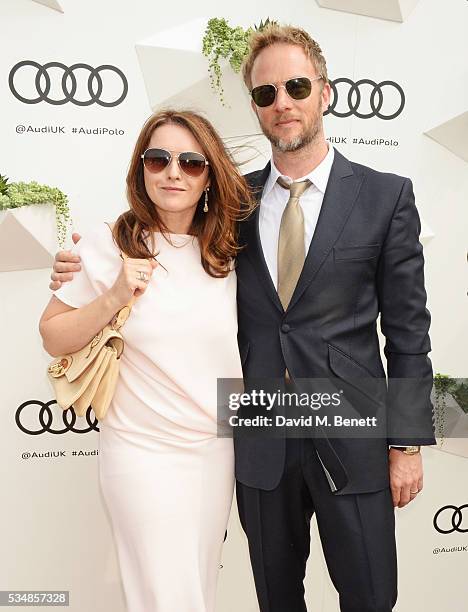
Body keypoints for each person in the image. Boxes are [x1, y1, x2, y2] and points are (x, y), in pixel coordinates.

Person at [50, 24, 435, 612]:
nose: (282, 103)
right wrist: (80, 269)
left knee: (371, 596)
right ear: (254, 105)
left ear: (325, 93)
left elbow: (408, 331)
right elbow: (162, 238)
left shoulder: (386, 196)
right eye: (265, 93)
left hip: (354, 435)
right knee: (275, 599)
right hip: (259, 440)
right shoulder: (232, 207)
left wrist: (407, 442)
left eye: (296, 86)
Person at [39, 109, 254, 612]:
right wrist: (114, 294)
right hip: (141, 454)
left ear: (210, 176)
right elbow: (52, 335)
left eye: (191, 162)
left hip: (214, 453)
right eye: (157, 159)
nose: (173, 172)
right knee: (168, 596)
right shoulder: (108, 242)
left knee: (196, 588)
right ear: (141, 170)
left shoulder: (231, 252)